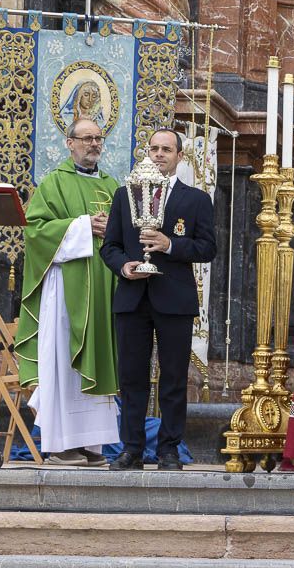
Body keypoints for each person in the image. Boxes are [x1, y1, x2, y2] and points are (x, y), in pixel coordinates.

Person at [100, 129, 216, 470]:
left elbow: (207, 248)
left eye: (167, 149)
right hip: (132, 298)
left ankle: (168, 449)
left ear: (180, 156)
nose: (159, 154)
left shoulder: (195, 200)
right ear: (146, 153)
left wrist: (171, 245)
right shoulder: (125, 195)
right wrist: (124, 266)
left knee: (174, 378)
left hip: (174, 299)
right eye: (154, 148)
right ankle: (131, 449)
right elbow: (110, 246)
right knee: (131, 377)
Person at [15, 118, 120, 466]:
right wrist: (83, 226)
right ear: (69, 142)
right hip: (65, 287)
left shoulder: (112, 185)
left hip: (102, 286)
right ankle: (61, 444)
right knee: (63, 359)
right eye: (86, 138)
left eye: (98, 138)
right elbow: (35, 231)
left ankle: (91, 444)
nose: (94, 144)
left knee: (97, 358)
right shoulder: (54, 183)